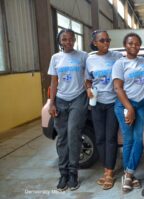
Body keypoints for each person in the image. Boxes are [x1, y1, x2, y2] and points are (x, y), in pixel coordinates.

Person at [48, 29, 88, 191]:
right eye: (64, 39)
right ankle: (63, 173)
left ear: (74, 40)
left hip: (78, 98)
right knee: (62, 137)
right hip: (61, 100)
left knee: (73, 133)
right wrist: (52, 103)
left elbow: (90, 75)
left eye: (71, 39)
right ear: (60, 41)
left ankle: (73, 173)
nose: (68, 42)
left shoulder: (83, 56)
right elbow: (54, 81)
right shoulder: (55, 58)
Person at [112, 32, 144, 193]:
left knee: (139, 139)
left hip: (142, 105)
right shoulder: (119, 64)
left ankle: (128, 173)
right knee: (128, 140)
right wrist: (130, 108)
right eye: (130, 43)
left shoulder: (143, 61)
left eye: (137, 43)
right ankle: (130, 176)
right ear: (125, 45)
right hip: (125, 105)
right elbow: (117, 88)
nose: (134, 46)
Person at [85, 30, 122, 190]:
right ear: (95, 42)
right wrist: (88, 89)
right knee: (99, 138)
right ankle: (107, 169)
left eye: (108, 40)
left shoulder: (117, 57)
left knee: (111, 137)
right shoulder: (90, 59)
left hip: (113, 103)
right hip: (97, 104)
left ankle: (109, 172)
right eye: (102, 40)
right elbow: (88, 80)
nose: (106, 43)